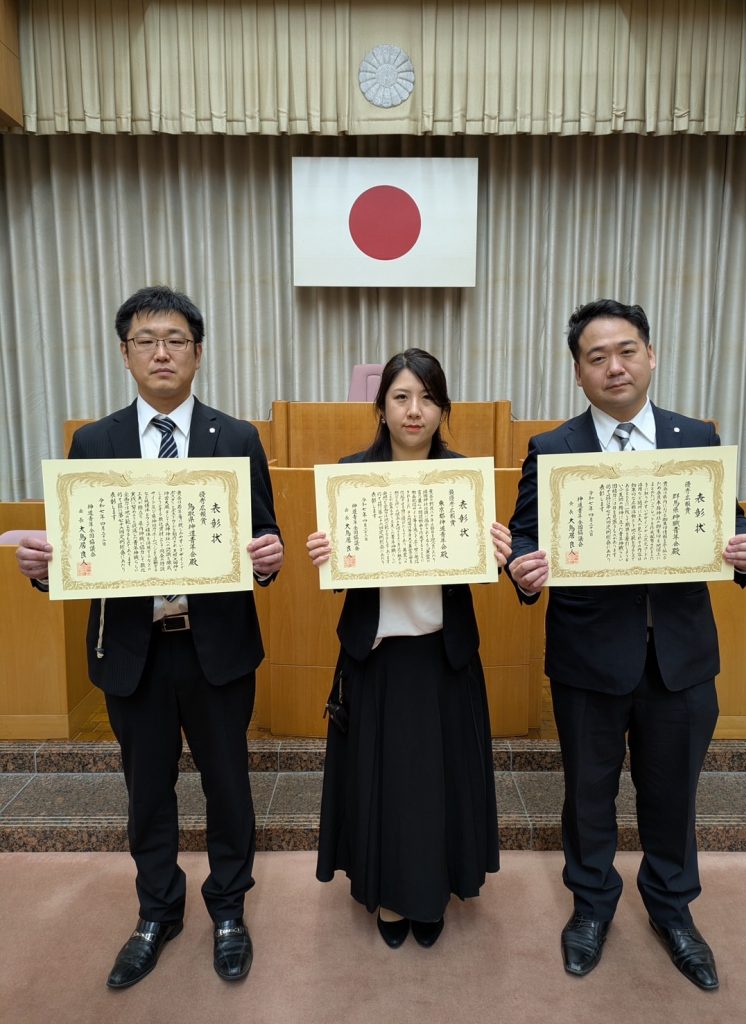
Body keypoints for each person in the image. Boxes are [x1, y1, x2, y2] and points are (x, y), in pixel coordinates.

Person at [15, 286, 283, 988]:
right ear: (125, 353)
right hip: (133, 652)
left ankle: (229, 909)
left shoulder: (237, 439)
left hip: (216, 648)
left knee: (229, 788)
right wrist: (44, 569)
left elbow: (264, 535)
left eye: (175, 340)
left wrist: (270, 557)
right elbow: (76, 553)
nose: (161, 353)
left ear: (198, 352)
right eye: (145, 340)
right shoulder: (93, 443)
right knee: (147, 793)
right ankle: (157, 912)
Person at [506, 299, 746, 991]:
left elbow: (729, 526)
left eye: (626, 351)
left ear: (650, 356)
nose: (614, 367)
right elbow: (525, 535)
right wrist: (523, 569)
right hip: (588, 659)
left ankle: (672, 910)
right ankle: (591, 907)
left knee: (673, 794)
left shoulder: (696, 437)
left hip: (680, 657)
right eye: (596, 357)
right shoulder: (552, 449)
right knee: (588, 794)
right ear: (578, 373)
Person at [307, 349, 510, 949]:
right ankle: (390, 894)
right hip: (376, 657)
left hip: (444, 656)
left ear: (443, 408)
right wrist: (329, 557)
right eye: (401, 397)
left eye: (427, 398)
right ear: (381, 407)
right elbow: (344, 577)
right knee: (385, 787)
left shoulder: (464, 478)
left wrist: (495, 554)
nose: (414, 410)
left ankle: (433, 892)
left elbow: (479, 572)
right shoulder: (351, 476)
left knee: (437, 785)